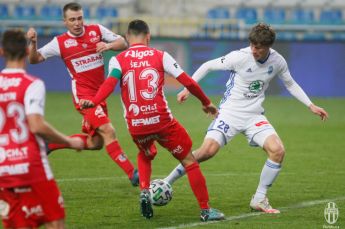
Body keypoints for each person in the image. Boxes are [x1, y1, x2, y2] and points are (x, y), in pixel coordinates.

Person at [163, 23, 329, 214]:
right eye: (252, 45)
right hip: (230, 113)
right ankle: (167, 182)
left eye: (258, 47)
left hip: (254, 116)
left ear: (268, 47)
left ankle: (259, 199)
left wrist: (311, 105)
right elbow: (207, 66)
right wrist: (186, 89)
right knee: (207, 151)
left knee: (277, 150)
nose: (254, 50)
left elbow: (290, 84)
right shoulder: (239, 57)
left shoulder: (278, 61)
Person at [79, 19, 225, 221]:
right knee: (190, 161)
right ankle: (206, 210)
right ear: (148, 37)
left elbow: (109, 84)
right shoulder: (160, 56)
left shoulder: (118, 60)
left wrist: (94, 102)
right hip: (162, 121)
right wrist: (206, 102)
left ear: (128, 38)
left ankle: (145, 191)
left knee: (145, 153)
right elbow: (187, 81)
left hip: (137, 124)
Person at [26, 2, 139, 186]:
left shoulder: (96, 30)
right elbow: (34, 59)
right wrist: (32, 43)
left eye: (79, 18)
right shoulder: (60, 42)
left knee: (96, 143)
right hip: (84, 97)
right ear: (65, 22)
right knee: (109, 131)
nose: (77, 23)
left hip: (100, 95)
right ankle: (133, 174)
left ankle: (50, 144)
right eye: (72, 20)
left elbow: (123, 42)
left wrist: (108, 46)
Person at [0, 29, 84, 229]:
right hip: (32, 166)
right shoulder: (32, 84)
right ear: (27, 50)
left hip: (3, 169)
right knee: (55, 222)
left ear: (2, 51)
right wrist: (69, 141)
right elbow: (36, 124)